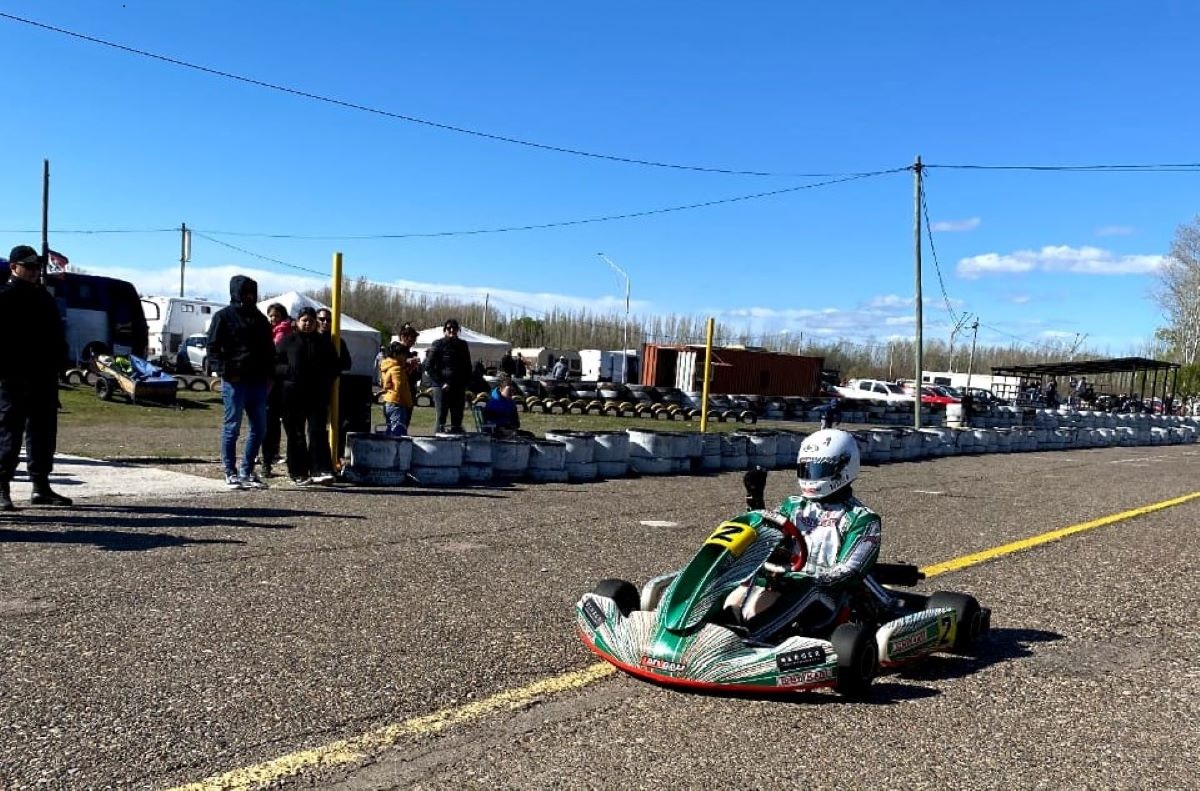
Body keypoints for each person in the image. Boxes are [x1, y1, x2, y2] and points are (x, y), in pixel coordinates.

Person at [725, 428, 881, 621]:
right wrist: (755, 501)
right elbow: (766, 536)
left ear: (843, 468)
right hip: (787, 582)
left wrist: (798, 581)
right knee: (735, 589)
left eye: (818, 470)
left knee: (764, 613)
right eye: (806, 469)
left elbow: (849, 571)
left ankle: (748, 640)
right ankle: (711, 629)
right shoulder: (794, 506)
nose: (810, 477)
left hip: (828, 597)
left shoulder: (862, 519)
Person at [0, 245, 72, 509]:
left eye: (36, 267)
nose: (34, 271)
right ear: (14, 267)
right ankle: (2, 486)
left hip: (44, 375)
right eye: (28, 266)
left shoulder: (42, 296)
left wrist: (61, 361)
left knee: (43, 431)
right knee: (9, 431)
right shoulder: (5, 296)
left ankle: (41, 485)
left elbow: (55, 332)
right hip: (14, 375)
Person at [206, 275, 275, 490]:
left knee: (260, 428)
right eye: (245, 292)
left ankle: (247, 470)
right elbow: (213, 348)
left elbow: (269, 350)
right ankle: (230, 471)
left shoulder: (260, 319)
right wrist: (226, 371)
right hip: (235, 381)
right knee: (232, 427)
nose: (249, 296)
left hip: (258, 381)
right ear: (236, 292)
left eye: (252, 292)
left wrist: (269, 375)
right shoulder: (223, 317)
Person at [275, 307, 343, 485]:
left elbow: (336, 365)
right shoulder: (287, 341)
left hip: (317, 395)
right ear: (297, 322)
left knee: (317, 432)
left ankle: (320, 469)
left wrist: (325, 378)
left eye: (311, 321)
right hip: (292, 395)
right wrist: (288, 371)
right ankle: (298, 472)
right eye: (304, 320)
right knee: (296, 434)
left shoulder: (323, 343)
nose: (307, 324)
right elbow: (274, 364)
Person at [261, 303, 293, 477]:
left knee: (289, 425)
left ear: (282, 316)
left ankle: (292, 463)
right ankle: (268, 461)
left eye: (276, 316)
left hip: (283, 385)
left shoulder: (285, 333)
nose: (273, 319)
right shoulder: (269, 332)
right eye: (271, 316)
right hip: (270, 385)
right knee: (269, 425)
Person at [425, 318, 472, 433]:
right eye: (449, 328)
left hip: (458, 386)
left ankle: (456, 444)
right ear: (444, 330)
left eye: (455, 328)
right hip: (441, 386)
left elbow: (468, 366)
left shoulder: (463, 345)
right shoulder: (438, 344)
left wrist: (466, 384)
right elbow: (428, 367)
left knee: (457, 418)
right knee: (441, 417)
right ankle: (437, 442)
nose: (452, 330)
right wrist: (441, 383)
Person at [379, 341, 414, 436]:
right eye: (402, 354)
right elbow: (399, 388)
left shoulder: (387, 366)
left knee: (391, 429)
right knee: (398, 433)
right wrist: (409, 403)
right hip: (397, 403)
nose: (405, 357)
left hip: (388, 402)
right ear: (396, 354)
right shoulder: (397, 369)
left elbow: (386, 384)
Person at [481, 372, 529, 438]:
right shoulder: (493, 402)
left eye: (513, 391)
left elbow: (516, 421)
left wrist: (512, 428)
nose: (511, 393)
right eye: (509, 391)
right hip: (495, 432)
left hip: (509, 430)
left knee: (529, 435)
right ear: (501, 389)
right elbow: (488, 422)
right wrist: (502, 429)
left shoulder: (511, 402)